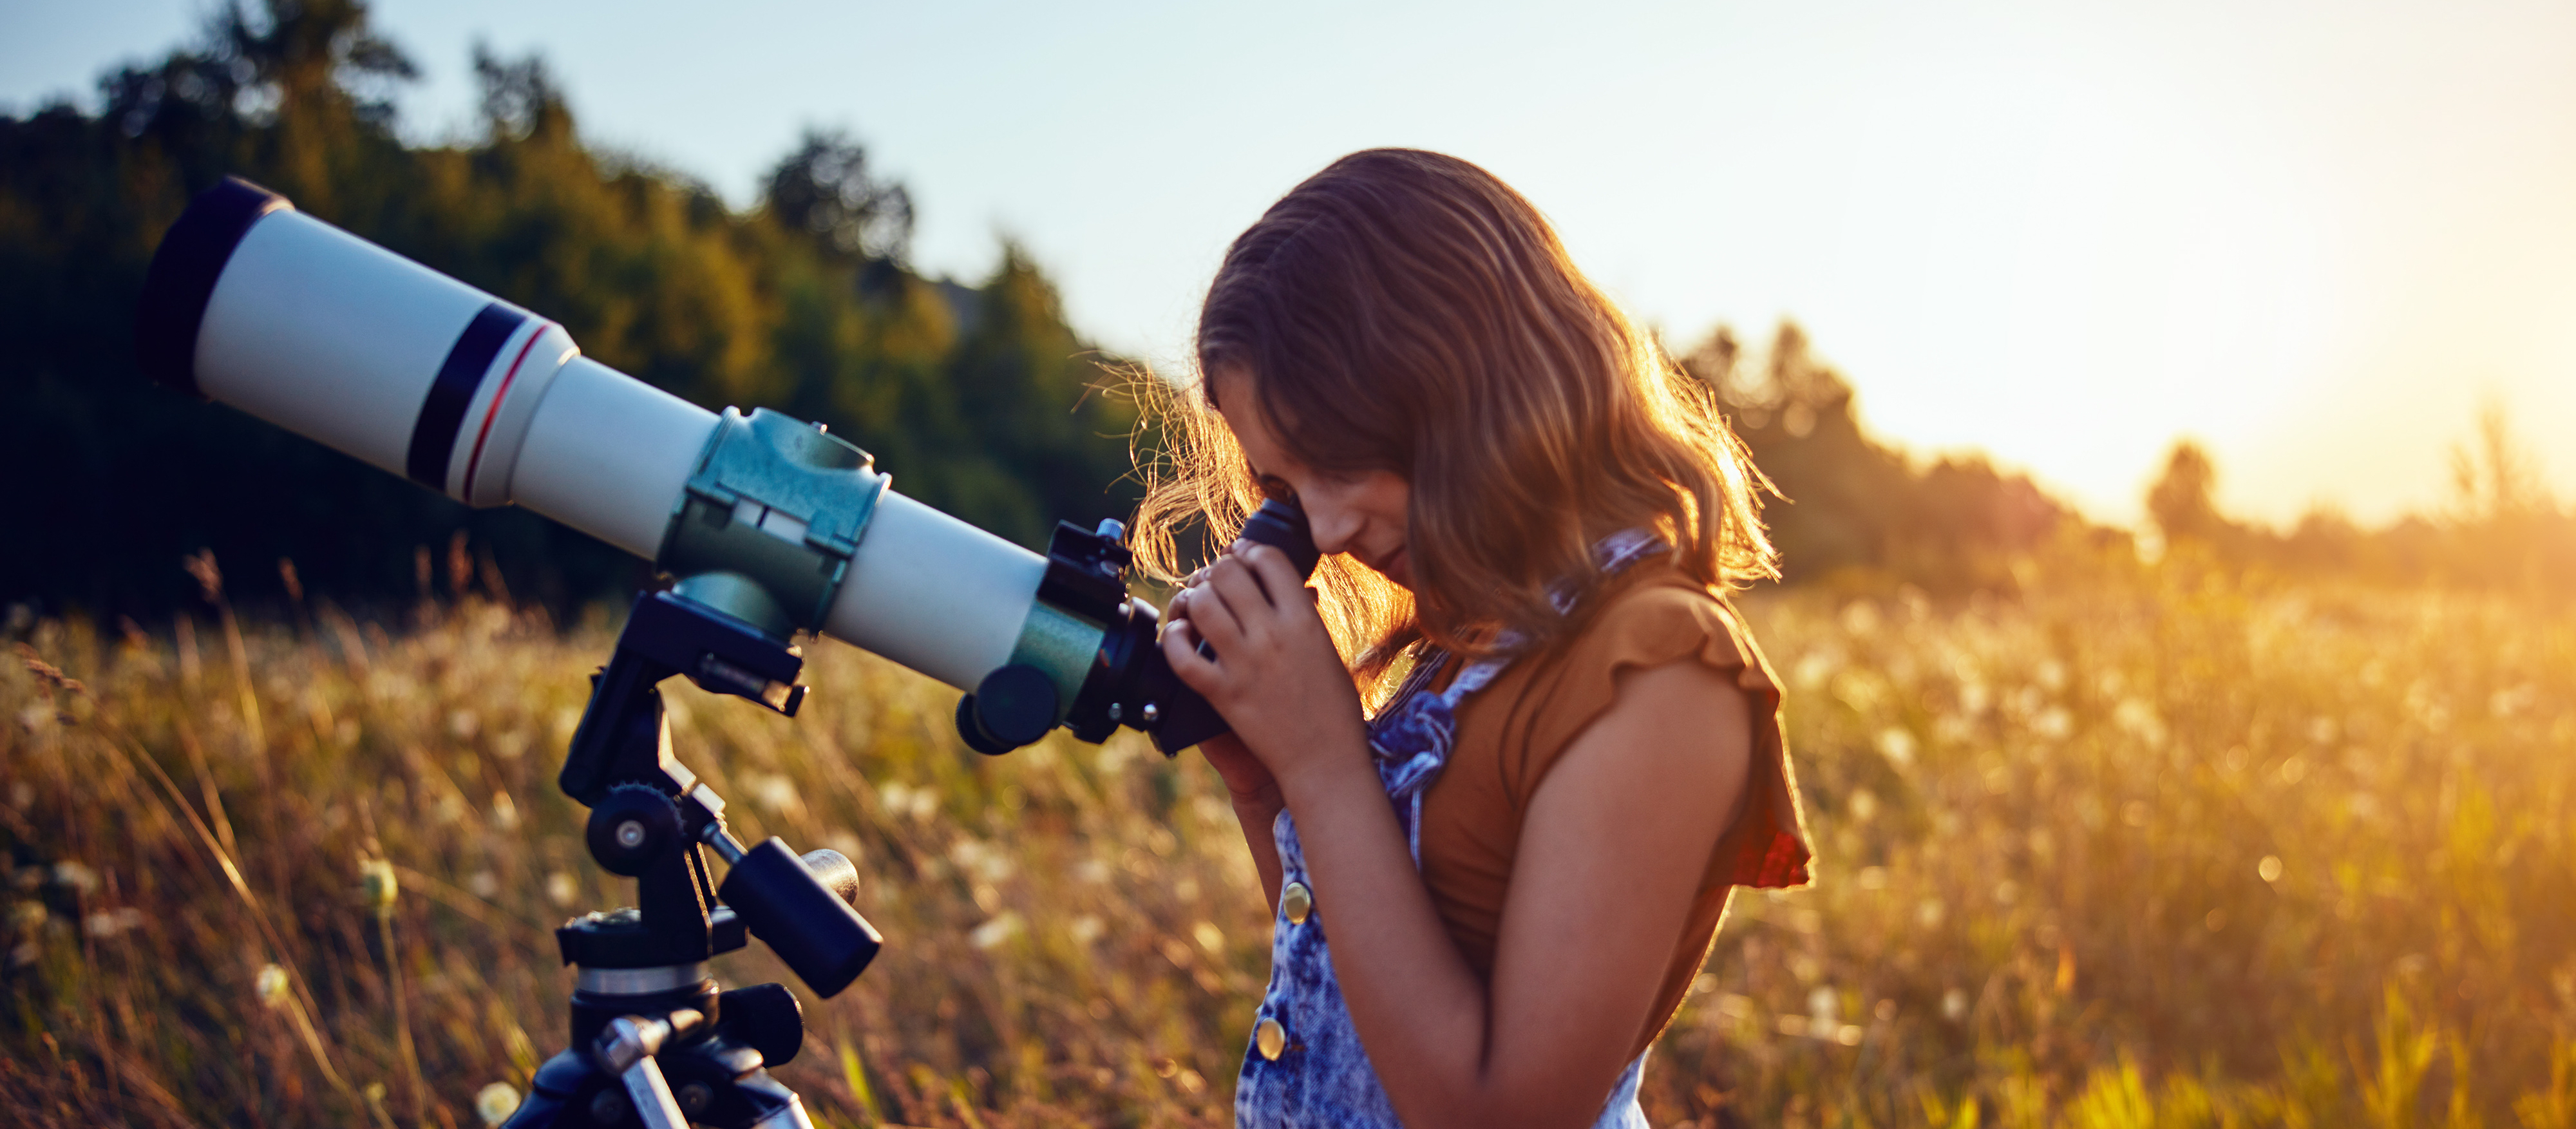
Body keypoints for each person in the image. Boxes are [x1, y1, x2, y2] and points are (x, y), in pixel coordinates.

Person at [1137, 149, 1812, 1129]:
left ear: (1460, 382)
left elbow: (1503, 1114)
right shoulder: (1469, 649)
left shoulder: (1659, 669)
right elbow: (1362, 984)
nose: (1321, 533)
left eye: (1334, 456)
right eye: (1282, 491)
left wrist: (1326, 763)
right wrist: (1267, 782)